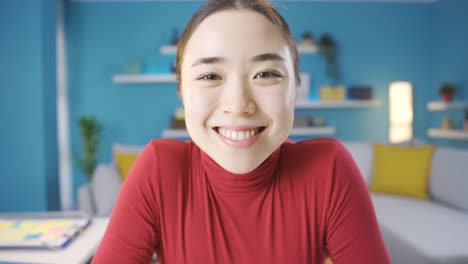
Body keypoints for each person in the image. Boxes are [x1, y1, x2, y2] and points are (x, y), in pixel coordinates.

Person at [93, 0, 390, 263]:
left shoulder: (329, 168)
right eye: (210, 75)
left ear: (295, 87)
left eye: (266, 74)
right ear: (181, 90)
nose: (238, 106)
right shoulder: (159, 169)